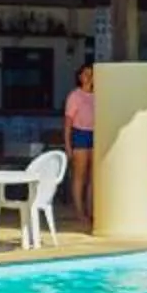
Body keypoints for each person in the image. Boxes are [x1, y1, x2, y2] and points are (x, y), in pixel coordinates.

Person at [62, 57, 95, 223]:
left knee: (93, 177)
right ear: (80, 77)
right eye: (86, 74)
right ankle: (79, 211)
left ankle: (90, 210)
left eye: (91, 74)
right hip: (80, 134)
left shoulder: (99, 95)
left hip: (95, 134)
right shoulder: (74, 96)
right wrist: (68, 145)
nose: (89, 77)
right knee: (79, 176)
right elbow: (68, 122)